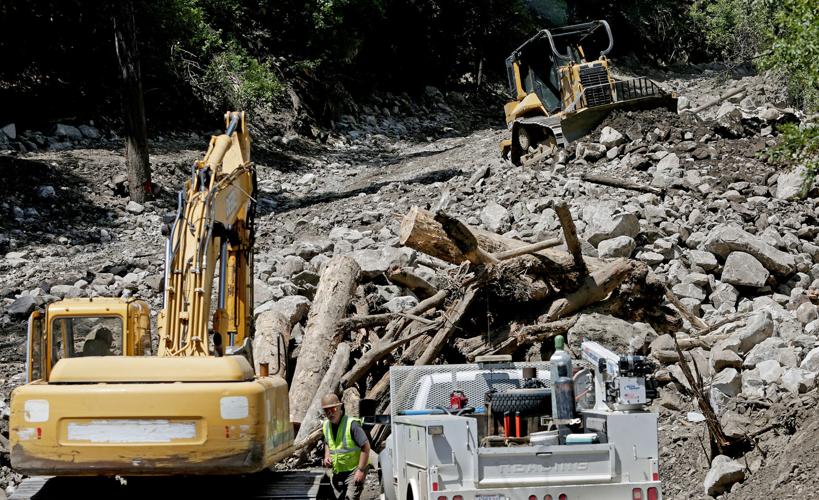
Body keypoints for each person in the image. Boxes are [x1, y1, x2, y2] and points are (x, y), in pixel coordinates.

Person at [321, 393, 370, 500]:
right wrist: (327, 455)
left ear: (339, 407)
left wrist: (361, 470)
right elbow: (327, 442)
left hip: (354, 470)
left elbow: (366, 447)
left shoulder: (352, 425)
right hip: (338, 472)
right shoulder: (326, 425)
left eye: (332, 409)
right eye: (326, 411)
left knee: (351, 497)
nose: (330, 413)